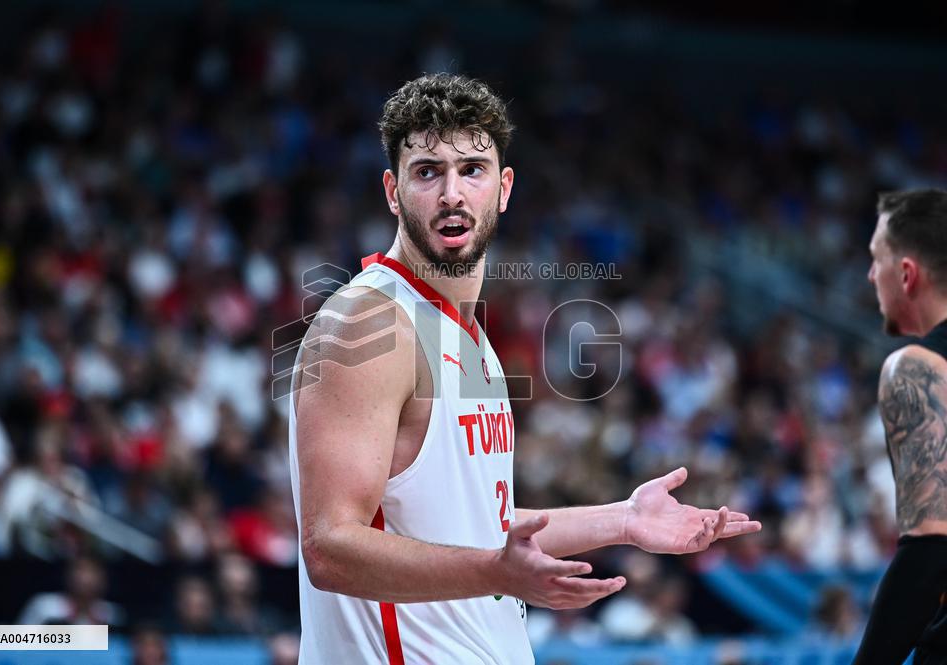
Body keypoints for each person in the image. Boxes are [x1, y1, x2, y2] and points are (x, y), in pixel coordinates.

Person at [288, 73, 762, 664]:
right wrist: (497, 572)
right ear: (392, 189)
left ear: (504, 188)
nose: (452, 194)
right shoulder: (368, 324)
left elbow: (477, 530)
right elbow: (329, 548)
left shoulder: (468, 334)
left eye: (472, 170)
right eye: (428, 171)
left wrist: (623, 519)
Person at [855, 189, 947, 665]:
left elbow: (931, 548)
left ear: (907, 273)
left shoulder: (917, 367)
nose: (871, 275)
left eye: (876, 259)